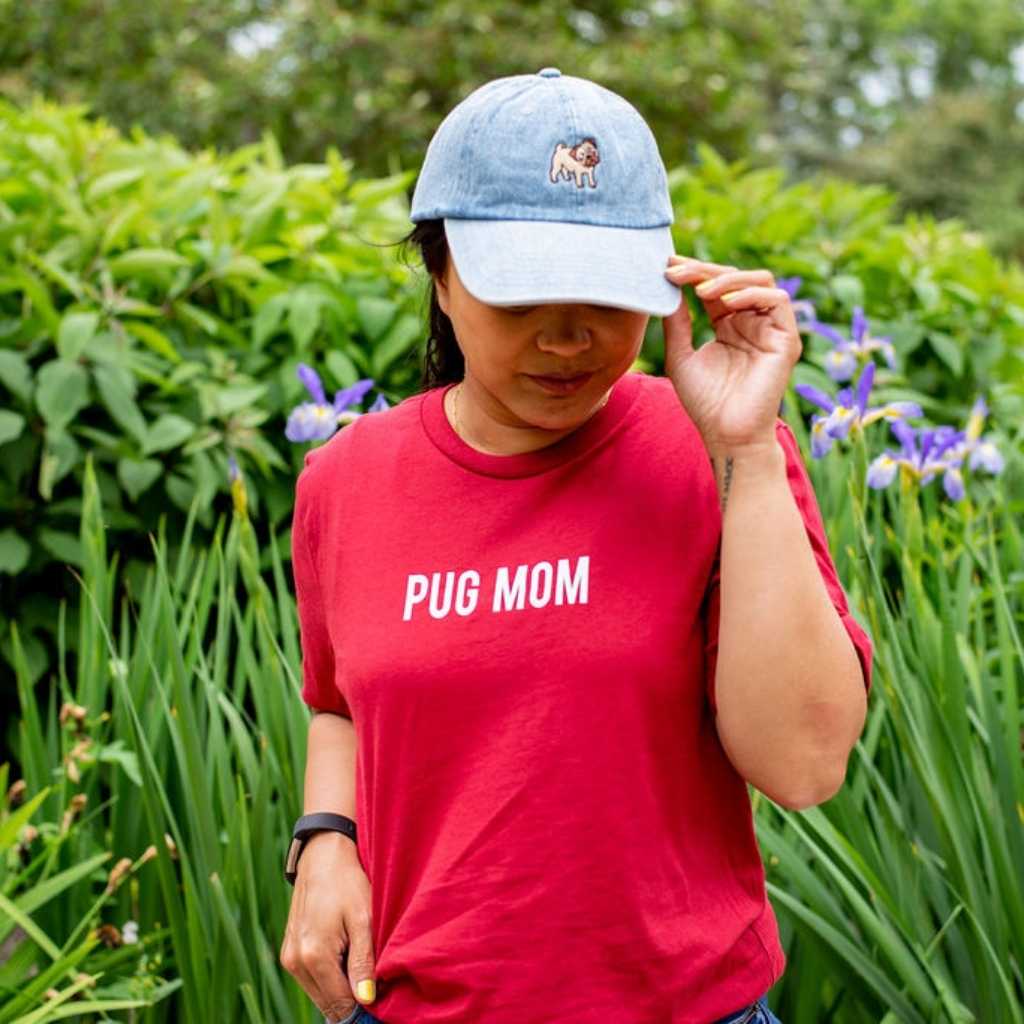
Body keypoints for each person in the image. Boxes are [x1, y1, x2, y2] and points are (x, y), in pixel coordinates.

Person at [279, 69, 873, 1024]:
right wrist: (325, 838)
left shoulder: (710, 454)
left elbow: (803, 765)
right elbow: (339, 704)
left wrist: (749, 452)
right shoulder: (345, 481)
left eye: (603, 292)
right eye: (524, 295)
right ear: (439, 272)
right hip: (412, 1005)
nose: (568, 336)